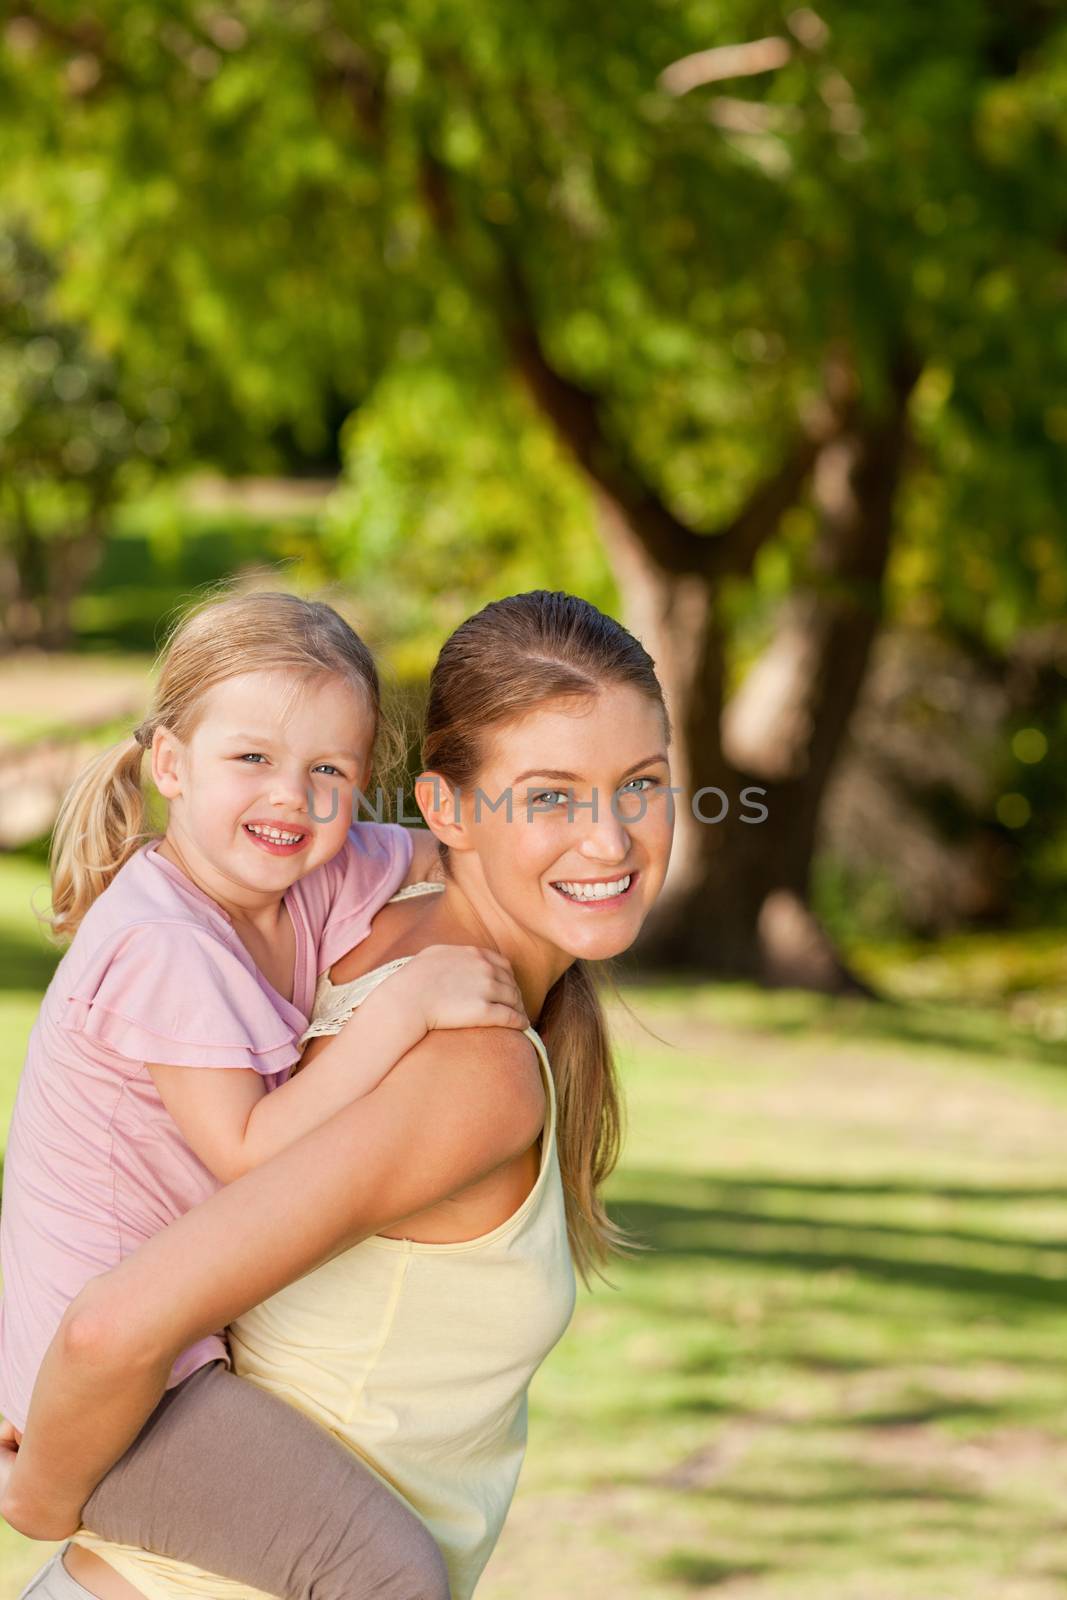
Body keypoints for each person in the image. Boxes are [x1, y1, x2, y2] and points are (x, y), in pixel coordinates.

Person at [4, 590, 676, 1600]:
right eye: (549, 797)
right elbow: (111, 1324)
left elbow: (404, 843)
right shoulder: (466, 1062)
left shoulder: (339, 895)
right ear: (449, 807)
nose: (610, 839)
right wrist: (44, 1491)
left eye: (642, 785)